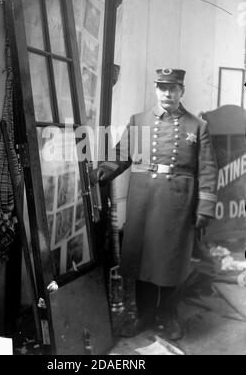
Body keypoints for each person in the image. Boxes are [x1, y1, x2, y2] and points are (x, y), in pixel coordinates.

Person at [90, 68, 218, 341]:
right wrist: (105, 170)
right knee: (143, 262)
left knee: (172, 264)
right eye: (162, 87)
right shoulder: (139, 121)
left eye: (173, 88)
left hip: (178, 204)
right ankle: (145, 316)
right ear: (155, 89)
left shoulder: (198, 126)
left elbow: (207, 170)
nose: (167, 93)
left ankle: (168, 315)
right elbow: (122, 153)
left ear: (182, 91)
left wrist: (204, 208)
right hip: (144, 200)